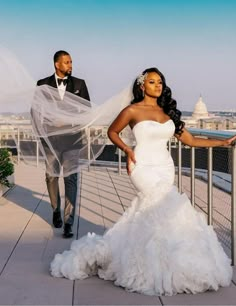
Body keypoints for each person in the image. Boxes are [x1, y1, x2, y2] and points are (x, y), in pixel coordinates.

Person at [50, 67, 236, 295]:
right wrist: (128, 151)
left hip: (166, 167)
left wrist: (223, 144)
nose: (157, 85)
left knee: (161, 213)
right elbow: (112, 132)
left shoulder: (168, 112)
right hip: (142, 166)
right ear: (142, 86)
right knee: (157, 207)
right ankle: (150, 269)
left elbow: (190, 140)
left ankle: (171, 263)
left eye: (160, 82)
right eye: (152, 82)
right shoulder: (132, 110)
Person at [36, 50, 90, 238]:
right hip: (50, 140)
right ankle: (55, 210)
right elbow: (36, 111)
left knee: (71, 179)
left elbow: (86, 110)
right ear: (57, 64)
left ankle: (69, 221)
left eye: (71, 62)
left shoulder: (80, 84)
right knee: (51, 177)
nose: (70, 65)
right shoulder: (42, 84)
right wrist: (42, 134)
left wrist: (68, 122)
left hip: (73, 139)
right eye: (66, 62)